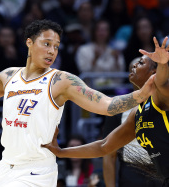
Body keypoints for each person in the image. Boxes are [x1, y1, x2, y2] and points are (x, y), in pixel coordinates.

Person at [0, 16, 155, 187]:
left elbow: (108, 106)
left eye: (56, 46)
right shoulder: (8, 76)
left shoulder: (62, 81)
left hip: (36, 171)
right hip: (5, 168)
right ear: (29, 42)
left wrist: (140, 94)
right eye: (46, 44)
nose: (52, 51)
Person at [42, 36, 169, 185]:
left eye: (140, 63)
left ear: (153, 72)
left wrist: (163, 64)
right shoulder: (137, 113)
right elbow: (104, 146)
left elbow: (161, 81)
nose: (134, 66)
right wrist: (61, 152)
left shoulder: (163, 97)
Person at [103, 57, 161, 187]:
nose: (133, 70)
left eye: (139, 65)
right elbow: (108, 154)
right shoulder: (118, 107)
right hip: (132, 174)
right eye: (130, 69)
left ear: (153, 72)